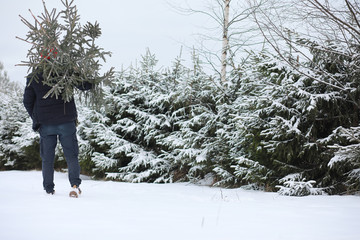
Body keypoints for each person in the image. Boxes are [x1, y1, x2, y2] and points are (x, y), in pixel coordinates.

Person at [23, 63, 92, 198]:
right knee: (71, 156)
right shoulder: (65, 70)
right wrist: (82, 72)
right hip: (66, 122)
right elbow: (85, 85)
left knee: (47, 158)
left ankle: (49, 189)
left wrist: (36, 118)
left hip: (46, 124)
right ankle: (75, 186)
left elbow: (27, 101)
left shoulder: (34, 76)